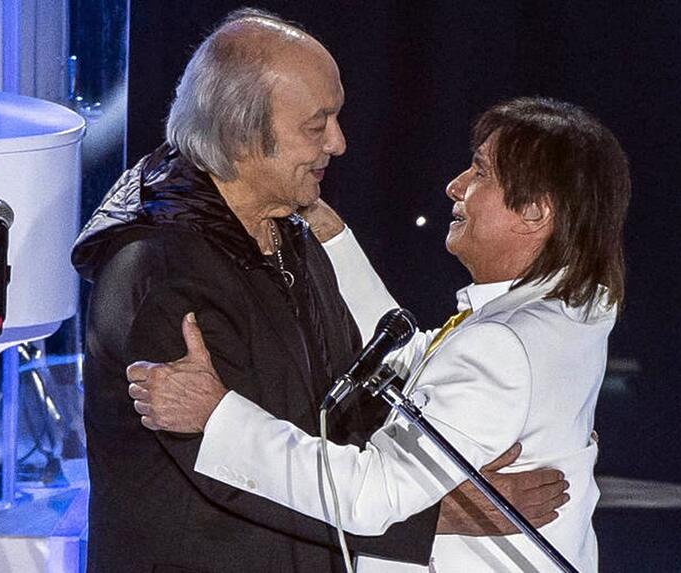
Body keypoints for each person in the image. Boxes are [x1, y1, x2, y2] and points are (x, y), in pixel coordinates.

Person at [74, 8, 567, 573]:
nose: (339, 142)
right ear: (240, 131)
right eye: (317, 124)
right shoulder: (159, 271)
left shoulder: (290, 237)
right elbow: (225, 471)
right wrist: (434, 516)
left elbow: (345, 405)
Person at [127, 96, 631, 572]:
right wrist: (336, 241)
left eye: (480, 172)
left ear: (535, 212)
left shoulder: (503, 346)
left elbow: (369, 496)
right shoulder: (575, 309)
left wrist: (217, 416)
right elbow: (420, 360)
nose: (455, 186)